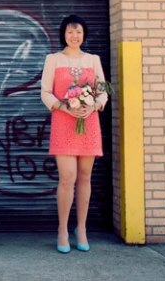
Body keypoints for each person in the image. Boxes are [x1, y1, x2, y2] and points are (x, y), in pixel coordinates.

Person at [40, 14, 108, 253]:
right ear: (63, 34)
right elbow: (45, 92)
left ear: (84, 34)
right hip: (63, 121)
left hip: (89, 122)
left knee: (85, 177)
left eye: (78, 31)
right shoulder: (53, 59)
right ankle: (62, 229)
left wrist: (93, 105)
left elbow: (102, 91)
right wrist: (65, 106)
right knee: (67, 177)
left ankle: (82, 229)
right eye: (70, 31)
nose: (74, 36)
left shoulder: (93, 59)